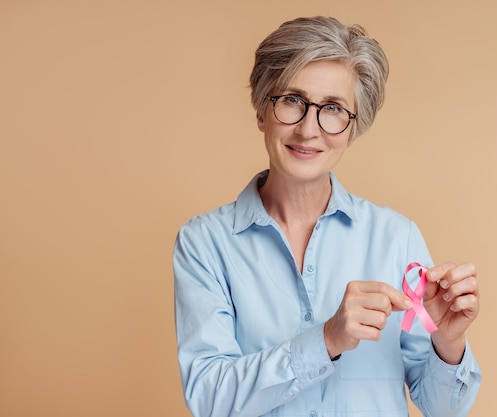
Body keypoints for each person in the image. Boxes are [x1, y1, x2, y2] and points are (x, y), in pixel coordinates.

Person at [174, 16, 481, 417]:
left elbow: (444, 409)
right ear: (261, 111)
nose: (308, 129)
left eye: (333, 108)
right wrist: (326, 339)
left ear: (352, 129)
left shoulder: (396, 237)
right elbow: (209, 399)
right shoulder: (204, 244)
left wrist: (449, 342)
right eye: (291, 101)